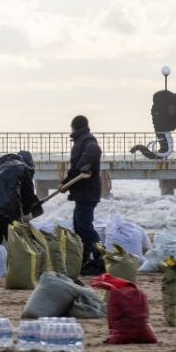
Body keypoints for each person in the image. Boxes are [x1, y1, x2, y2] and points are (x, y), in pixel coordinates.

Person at [66, 115, 104, 275]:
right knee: (78, 226)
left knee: (85, 227)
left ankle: (100, 256)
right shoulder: (81, 140)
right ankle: (85, 260)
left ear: (75, 127)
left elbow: (93, 151)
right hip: (82, 192)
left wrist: (84, 166)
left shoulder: (88, 140)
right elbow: (75, 169)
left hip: (88, 192)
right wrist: (66, 181)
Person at [0, 151, 41, 244]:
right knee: (16, 248)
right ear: (30, 163)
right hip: (7, 213)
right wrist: (26, 212)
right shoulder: (24, 168)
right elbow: (28, 197)